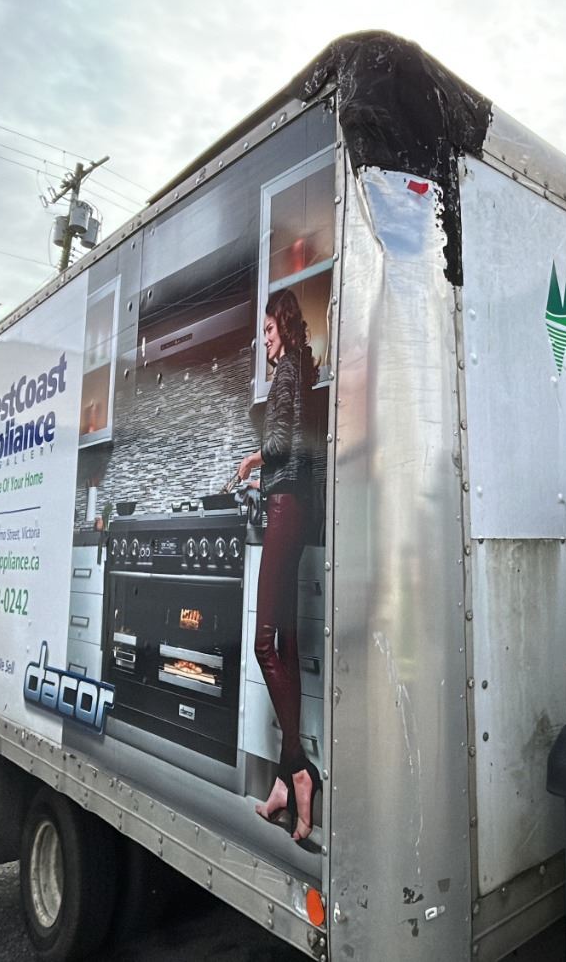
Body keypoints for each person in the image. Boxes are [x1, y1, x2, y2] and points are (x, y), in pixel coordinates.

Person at [233, 288, 322, 843]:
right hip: (296, 507)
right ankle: (288, 785)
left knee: (264, 644)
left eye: (268, 329)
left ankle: (298, 771)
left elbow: (283, 444)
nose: (264, 339)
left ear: (283, 327)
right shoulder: (302, 371)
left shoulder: (287, 371)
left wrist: (251, 460)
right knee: (284, 642)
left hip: (286, 506)